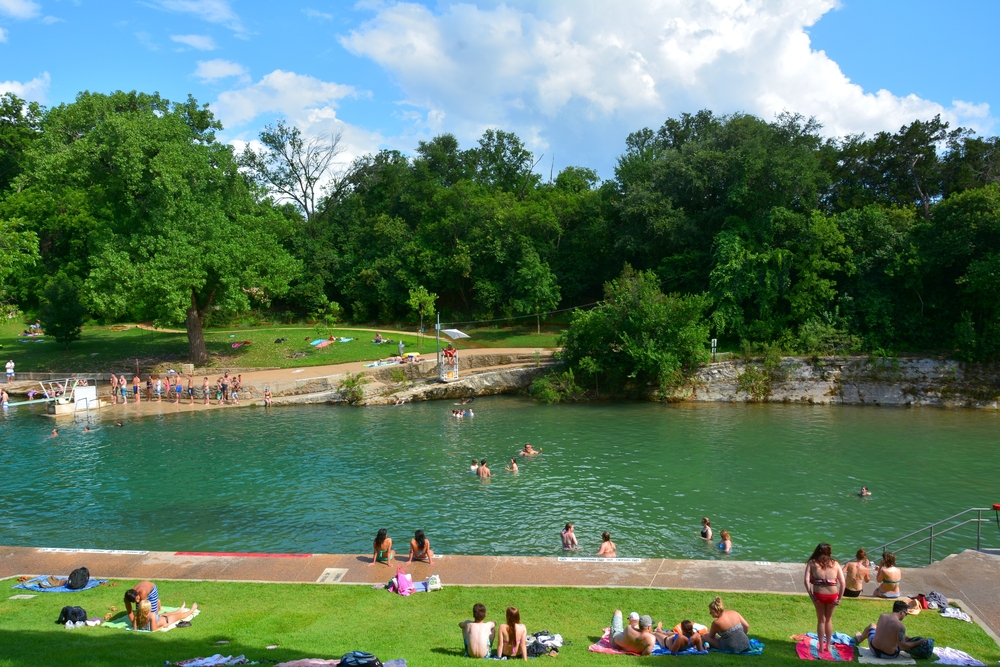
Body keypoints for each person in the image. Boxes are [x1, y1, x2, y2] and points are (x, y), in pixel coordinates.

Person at [804, 542, 845, 653]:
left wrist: (811, 595)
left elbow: (806, 581)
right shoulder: (835, 563)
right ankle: (828, 646)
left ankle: (821, 647)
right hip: (833, 594)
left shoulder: (812, 563)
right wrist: (840, 598)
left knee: (821, 621)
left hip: (819, 594)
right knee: (829, 620)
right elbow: (843, 582)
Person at [855, 600, 931, 659]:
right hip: (888, 655)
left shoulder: (883, 616)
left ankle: (860, 638)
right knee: (905, 642)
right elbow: (902, 646)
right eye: (906, 614)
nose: (905, 616)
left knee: (872, 625)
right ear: (901, 612)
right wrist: (918, 643)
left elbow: (884, 632)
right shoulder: (900, 626)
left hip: (873, 649)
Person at [133, 598, 197, 631]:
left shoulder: (136, 616)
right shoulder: (152, 615)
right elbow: (154, 630)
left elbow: (135, 629)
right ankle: (192, 610)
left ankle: (180, 610)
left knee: (168, 613)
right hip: (166, 621)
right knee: (180, 616)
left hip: (161, 618)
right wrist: (163, 626)